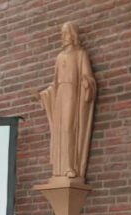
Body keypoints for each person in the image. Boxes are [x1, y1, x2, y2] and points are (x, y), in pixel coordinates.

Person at [39, 21, 97, 179]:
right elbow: (55, 82)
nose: (63, 37)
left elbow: (88, 77)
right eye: (62, 34)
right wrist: (46, 94)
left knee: (69, 127)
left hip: (72, 93)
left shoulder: (80, 55)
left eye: (66, 33)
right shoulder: (59, 57)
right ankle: (60, 167)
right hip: (60, 95)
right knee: (59, 130)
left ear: (73, 35)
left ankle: (70, 166)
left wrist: (87, 83)